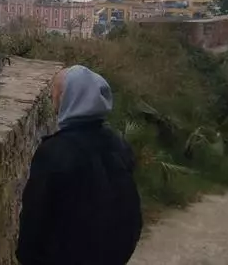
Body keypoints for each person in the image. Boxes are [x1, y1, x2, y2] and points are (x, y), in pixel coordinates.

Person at [16, 65, 142, 265]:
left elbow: (35, 220)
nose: (54, 102)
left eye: (56, 95)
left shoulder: (54, 153)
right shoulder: (118, 145)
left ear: (69, 98)